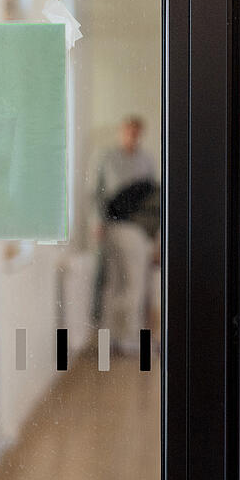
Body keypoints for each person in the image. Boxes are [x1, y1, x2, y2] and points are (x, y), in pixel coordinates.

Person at [92, 115, 158, 353]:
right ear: (122, 132)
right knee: (113, 284)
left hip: (138, 228)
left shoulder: (146, 161)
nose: (132, 136)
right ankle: (111, 339)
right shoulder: (108, 158)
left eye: (136, 132)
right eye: (128, 131)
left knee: (135, 285)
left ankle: (129, 337)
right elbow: (97, 193)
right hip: (114, 226)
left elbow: (153, 199)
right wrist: (98, 221)